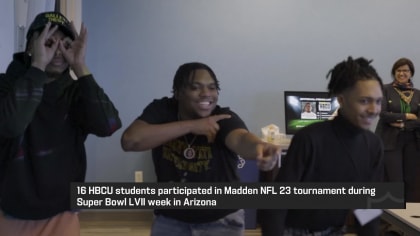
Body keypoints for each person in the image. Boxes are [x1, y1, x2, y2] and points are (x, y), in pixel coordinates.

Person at [121, 62, 281, 236]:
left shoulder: (223, 118)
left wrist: (260, 147)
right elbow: (130, 141)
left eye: (212, 88)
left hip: (222, 221)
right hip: (170, 220)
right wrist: (192, 126)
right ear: (178, 92)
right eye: (195, 88)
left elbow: (241, 138)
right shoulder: (163, 110)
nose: (206, 94)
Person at [0, 11, 122, 235]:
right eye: (48, 43)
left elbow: (109, 125)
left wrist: (80, 67)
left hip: (62, 211)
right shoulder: (6, 85)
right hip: (10, 209)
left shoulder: (75, 91)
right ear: (30, 47)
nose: (58, 52)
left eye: (66, 44)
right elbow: (12, 125)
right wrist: (37, 67)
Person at [261, 57, 384, 236]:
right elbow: (277, 204)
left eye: (378, 101)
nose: (374, 109)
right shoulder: (309, 139)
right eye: (364, 101)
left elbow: (368, 207)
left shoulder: (373, 145)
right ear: (341, 100)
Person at [375, 57, 420, 202]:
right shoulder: (385, 89)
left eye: (405, 70)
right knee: (395, 181)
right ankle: (394, 220)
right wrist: (408, 115)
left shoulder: (418, 93)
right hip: (390, 142)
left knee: (411, 181)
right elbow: (382, 114)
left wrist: (402, 124)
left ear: (411, 73)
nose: (402, 73)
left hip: (412, 141)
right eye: (399, 70)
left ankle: (410, 220)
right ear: (394, 72)